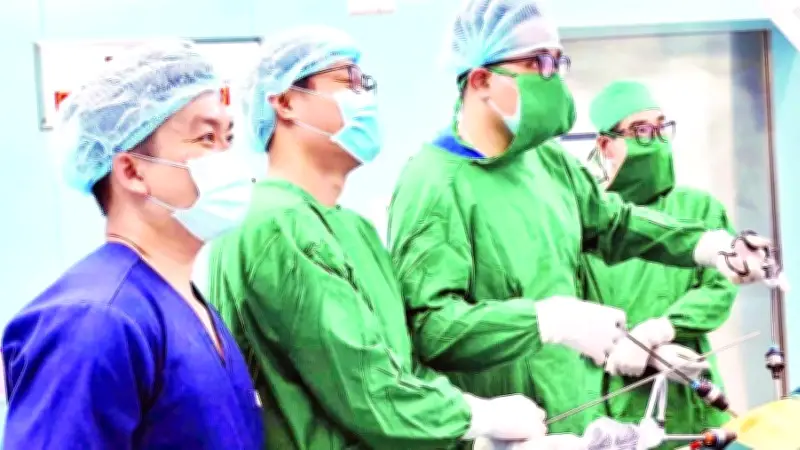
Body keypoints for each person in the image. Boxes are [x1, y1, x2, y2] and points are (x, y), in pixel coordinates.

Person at [387, 0, 782, 438]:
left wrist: (707, 246)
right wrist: (546, 321)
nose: (554, 78)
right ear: (481, 80)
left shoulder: (546, 161)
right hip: (510, 433)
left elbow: (612, 224)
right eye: (538, 63)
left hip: (577, 413)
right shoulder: (434, 184)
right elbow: (432, 329)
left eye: (558, 62)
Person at [207, 26, 583, 450]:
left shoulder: (354, 230)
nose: (365, 98)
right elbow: (369, 393)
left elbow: (402, 370)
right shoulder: (275, 225)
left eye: (365, 83)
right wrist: (478, 418)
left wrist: (474, 440)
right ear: (286, 102)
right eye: (348, 81)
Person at [2, 41, 263, 449]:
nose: (228, 158)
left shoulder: (185, 305)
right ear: (131, 171)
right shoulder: (93, 320)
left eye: (228, 137)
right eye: (206, 137)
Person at [578, 80, 738, 448]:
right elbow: (569, 309)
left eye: (661, 127)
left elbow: (720, 285)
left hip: (689, 387)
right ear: (605, 144)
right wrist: (622, 346)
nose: (654, 139)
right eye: (639, 130)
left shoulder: (697, 208)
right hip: (617, 394)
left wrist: (663, 330)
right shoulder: (590, 222)